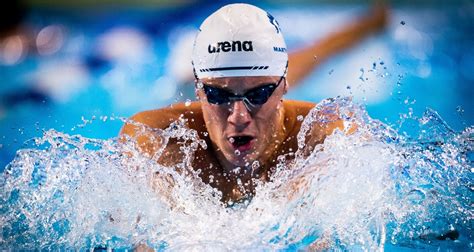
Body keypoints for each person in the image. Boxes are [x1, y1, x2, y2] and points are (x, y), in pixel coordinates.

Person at [120, 3, 383, 205]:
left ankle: (370, 22)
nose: (238, 116)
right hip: (186, 88)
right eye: (219, 96)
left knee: (307, 59)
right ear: (200, 91)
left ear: (283, 87)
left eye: (258, 95)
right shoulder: (158, 140)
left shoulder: (326, 137)